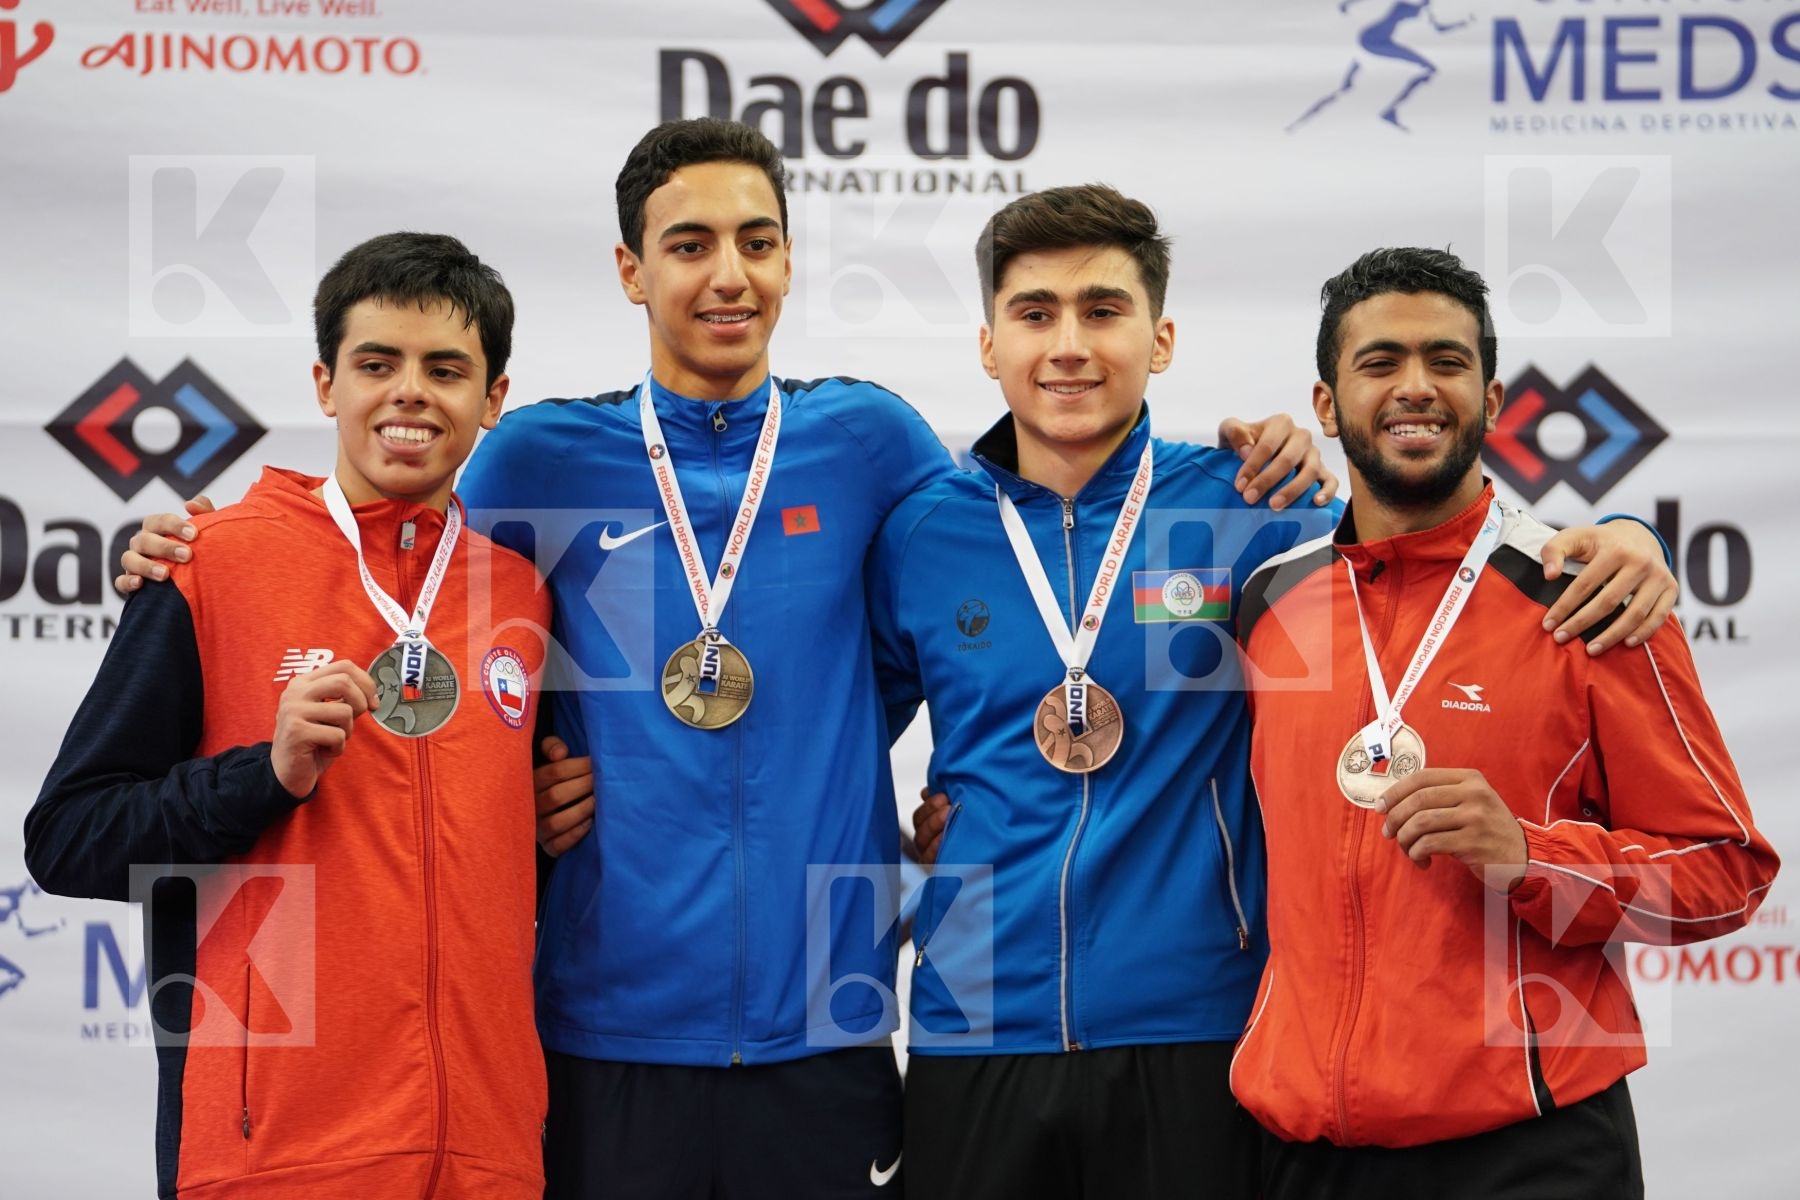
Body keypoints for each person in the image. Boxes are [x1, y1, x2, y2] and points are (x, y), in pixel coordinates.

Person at [116, 121, 1340, 1199]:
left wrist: (1260, 446)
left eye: (757, 240)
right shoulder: (539, 455)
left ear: (790, 263)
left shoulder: (871, 442)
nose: (727, 272)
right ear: (630, 271)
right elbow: (394, 552)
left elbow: (1018, 542)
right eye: (690, 243)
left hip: (831, 1027)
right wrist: (199, 540)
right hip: (603, 1026)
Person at [886, 193, 1678, 1199]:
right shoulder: (918, 536)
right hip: (974, 1015)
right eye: (1036, 314)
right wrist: (909, 858)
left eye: (1105, 310)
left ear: (1161, 338)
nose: (1071, 345)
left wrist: (1625, 534)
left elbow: (1437, 531)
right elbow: (820, 723)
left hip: (1201, 1024)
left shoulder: (1253, 512)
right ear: (988, 344)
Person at [1233, 246, 1779, 1199]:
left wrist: (1534, 859)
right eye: (1380, 363)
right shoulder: (1271, 601)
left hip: (1526, 1146)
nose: (1416, 388)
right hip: (1305, 1147)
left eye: (1448, 363)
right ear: (1327, 406)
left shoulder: (1587, 597)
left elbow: (1727, 872)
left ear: (1490, 403)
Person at [25, 233, 550, 1199]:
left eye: (445, 369)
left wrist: (555, 820)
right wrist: (259, 776)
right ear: (324, 384)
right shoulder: (207, 564)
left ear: (494, 399)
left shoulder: (517, 594)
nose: (409, 393)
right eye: (376, 363)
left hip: (486, 1155)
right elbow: (67, 839)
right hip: (273, 1157)